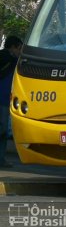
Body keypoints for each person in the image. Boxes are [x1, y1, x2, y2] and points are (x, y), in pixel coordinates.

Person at [0, 36, 22, 168]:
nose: (20, 51)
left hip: (5, 99)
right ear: (13, 47)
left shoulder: (11, 59)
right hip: (2, 99)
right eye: (19, 48)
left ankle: (1, 159)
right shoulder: (8, 59)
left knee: (2, 131)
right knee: (2, 130)